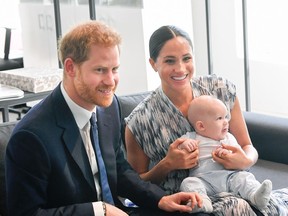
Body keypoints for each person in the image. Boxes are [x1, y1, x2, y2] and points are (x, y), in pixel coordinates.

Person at [5, 21, 204, 216]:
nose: (111, 81)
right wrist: (98, 210)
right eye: (100, 70)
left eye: (115, 69)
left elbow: (119, 170)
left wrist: (159, 199)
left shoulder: (108, 108)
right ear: (70, 68)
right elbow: (26, 213)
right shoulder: (31, 136)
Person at [125, 25, 261, 214]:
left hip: (236, 185)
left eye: (187, 58)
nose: (180, 68)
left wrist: (245, 160)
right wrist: (167, 164)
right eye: (169, 61)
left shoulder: (220, 90)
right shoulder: (139, 121)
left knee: (253, 202)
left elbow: (248, 146)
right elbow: (134, 186)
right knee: (236, 207)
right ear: (153, 63)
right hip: (186, 202)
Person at [178, 95, 272, 213]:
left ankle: (255, 196)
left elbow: (238, 155)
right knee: (188, 183)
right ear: (201, 126)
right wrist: (185, 145)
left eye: (226, 117)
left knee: (244, 178)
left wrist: (228, 153)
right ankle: (202, 202)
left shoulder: (228, 138)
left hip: (229, 177)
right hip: (204, 180)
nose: (226, 121)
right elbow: (177, 147)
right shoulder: (191, 137)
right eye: (219, 118)